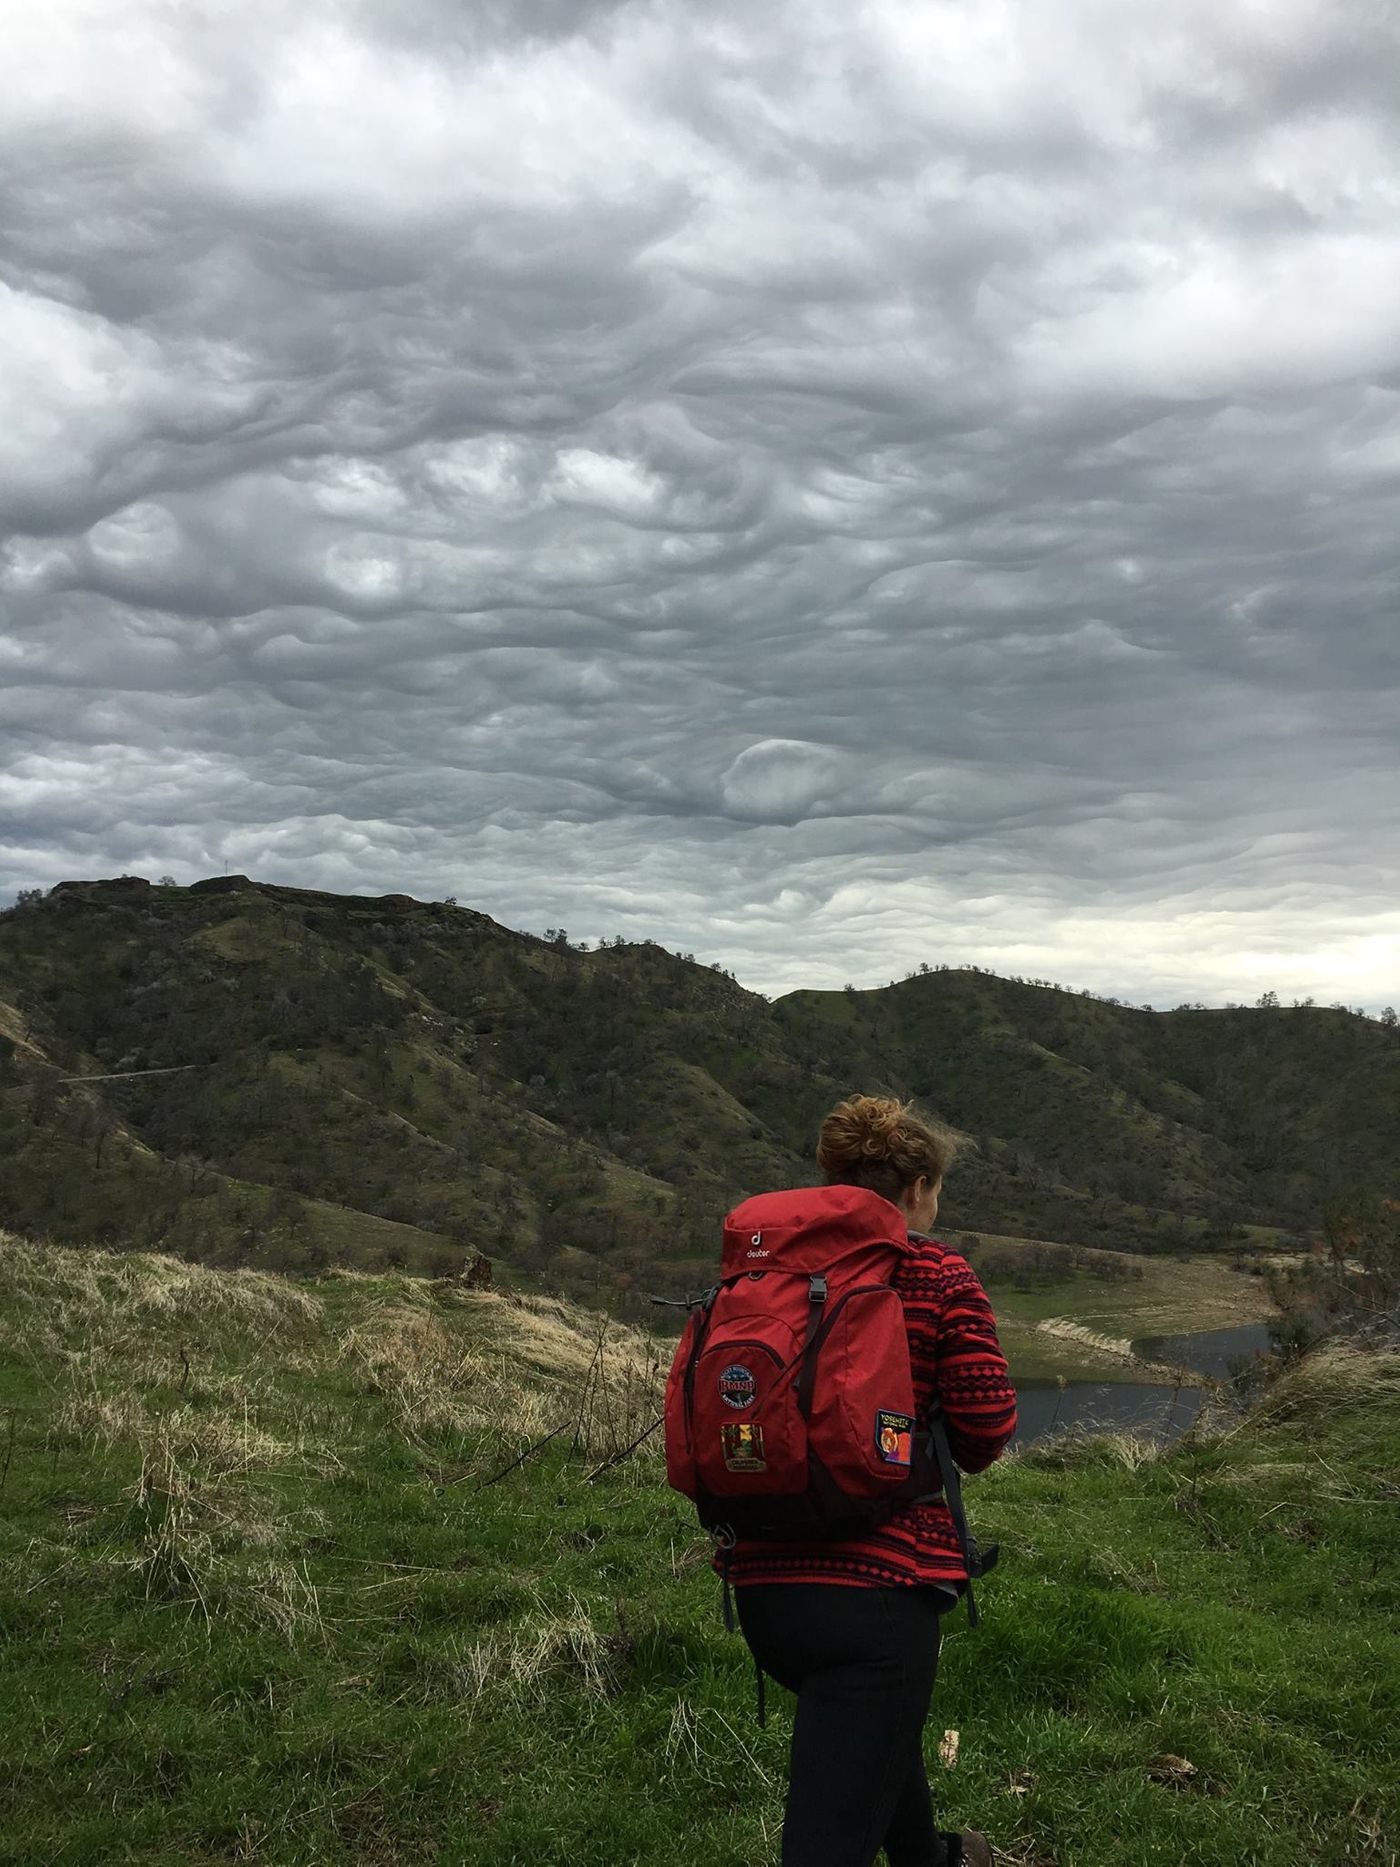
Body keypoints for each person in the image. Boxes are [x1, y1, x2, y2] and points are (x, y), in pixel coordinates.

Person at [729, 1095, 1018, 1867]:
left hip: (763, 1587)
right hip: (879, 1599)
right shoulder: (935, 1272)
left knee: (870, 1740)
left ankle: (937, 1859)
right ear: (918, 1186)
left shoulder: (766, 1273)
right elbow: (986, 1433)